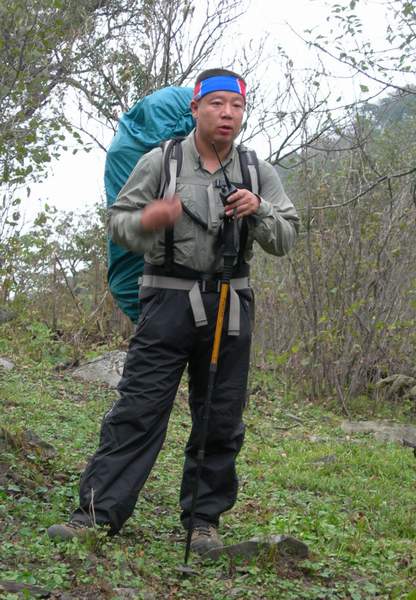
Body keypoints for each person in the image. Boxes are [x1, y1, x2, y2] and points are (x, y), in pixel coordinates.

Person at [47, 68, 299, 554]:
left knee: (221, 417)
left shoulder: (257, 172)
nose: (227, 114)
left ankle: (204, 522)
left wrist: (261, 209)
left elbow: (286, 238)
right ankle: (95, 515)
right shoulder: (160, 161)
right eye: (217, 104)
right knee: (138, 410)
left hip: (230, 303)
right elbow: (119, 224)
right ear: (195, 108)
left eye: (237, 106)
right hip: (166, 298)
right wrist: (149, 218)